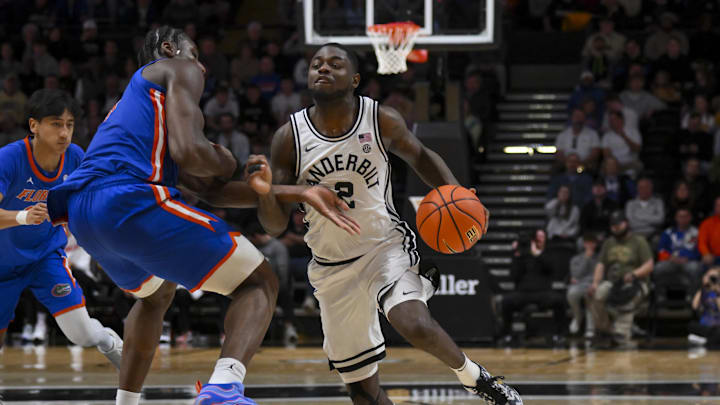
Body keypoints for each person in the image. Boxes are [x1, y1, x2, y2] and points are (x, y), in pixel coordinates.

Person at [47, 27, 360, 405]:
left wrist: (301, 192)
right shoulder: (176, 69)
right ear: (169, 49)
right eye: (194, 53)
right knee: (259, 281)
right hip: (126, 198)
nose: (202, 67)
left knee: (154, 296)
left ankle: (126, 401)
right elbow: (194, 153)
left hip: (84, 214)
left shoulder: (143, 115)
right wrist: (225, 159)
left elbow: (211, 191)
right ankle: (224, 387)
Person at [263, 43, 523, 405]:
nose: (322, 69)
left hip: (384, 247)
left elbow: (420, 155)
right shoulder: (288, 138)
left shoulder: (380, 119)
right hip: (331, 267)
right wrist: (265, 194)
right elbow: (274, 225)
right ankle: (422, 286)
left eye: (334, 64)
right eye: (316, 64)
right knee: (363, 393)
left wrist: (461, 193)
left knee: (413, 323)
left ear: (355, 79)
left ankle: (477, 379)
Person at [0, 89, 122, 365]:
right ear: (34, 126)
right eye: (56, 124)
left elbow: (94, 200)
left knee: (82, 335)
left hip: (45, 257)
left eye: (69, 125)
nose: (64, 133)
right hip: (3, 263)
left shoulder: (75, 157)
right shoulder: (9, 159)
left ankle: (108, 340)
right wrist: (22, 217)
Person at [588, 210, 654, 349]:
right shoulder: (608, 243)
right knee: (596, 294)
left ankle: (621, 335)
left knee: (627, 296)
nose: (616, 228)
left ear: (626, 224)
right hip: (613, 282)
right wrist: (595, 283)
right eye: (613, 225)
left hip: (636, 282)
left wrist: (634, 274)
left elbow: (649, 265)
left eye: (619, 224)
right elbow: (600, 264)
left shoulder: (639, 241)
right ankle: (605, 331)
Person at [501, 229, 566, 346]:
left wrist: (538, 254)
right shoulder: (522, 254)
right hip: (523, 293)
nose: (540, 239)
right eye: (537, 237)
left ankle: (560, 334)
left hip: (543, 292)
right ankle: (507, 335)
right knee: (506, 301)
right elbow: (513, 275)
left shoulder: (549, 253)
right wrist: (516, 255)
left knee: (559, 300)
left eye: (542, 237)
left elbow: (553, 270)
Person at [654, 208, 703, 298]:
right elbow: (661, 249)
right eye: (680, 216)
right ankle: (660, 297)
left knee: (696, 268)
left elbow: (700, 250)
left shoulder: (697, 232)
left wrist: (688, 258)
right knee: (658, 268)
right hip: (671, 261)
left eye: (685, 216)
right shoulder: (668, 232)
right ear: (676, 218)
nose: (683, 219)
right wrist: (670, 258)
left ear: (690, 218)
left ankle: (692, 297)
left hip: (689, 261)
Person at [567, 232, 599, 338]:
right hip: (580, 285)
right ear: (583, 244)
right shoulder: (575, 259)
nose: (590, 245)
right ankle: (577, 316)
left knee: (590, 295)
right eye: (587, 242)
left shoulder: (599, 258)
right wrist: (586, 258)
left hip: (594, 284)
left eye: (592, 242)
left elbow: (601, 274)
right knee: (572, 293)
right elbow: (576, 275)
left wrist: (595, 283)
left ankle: (590, 328)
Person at [688, 267, 720, 347]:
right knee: (691, 325)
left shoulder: (718, 292)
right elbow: (694, 306)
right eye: (709, 277)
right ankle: (708, 339)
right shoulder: (702, 290)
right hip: (705, 324)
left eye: (713, 277)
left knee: (718, 331)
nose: (711, 279)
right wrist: (702, 288)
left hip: (717, 324)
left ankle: (705, 341)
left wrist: (717, 292)